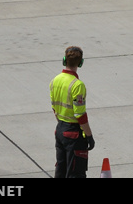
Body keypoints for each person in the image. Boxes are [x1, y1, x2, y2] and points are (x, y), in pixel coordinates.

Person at [49, 46, 94, 178]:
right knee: (75, 172)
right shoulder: (77, 85)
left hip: (60, 129)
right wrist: (89, 135)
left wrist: (62, 125)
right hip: (74, 133)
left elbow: (54, 107)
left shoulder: (55, 80)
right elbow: (80, 114)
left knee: (61, 170)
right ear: (80, 63)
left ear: (64, 60)